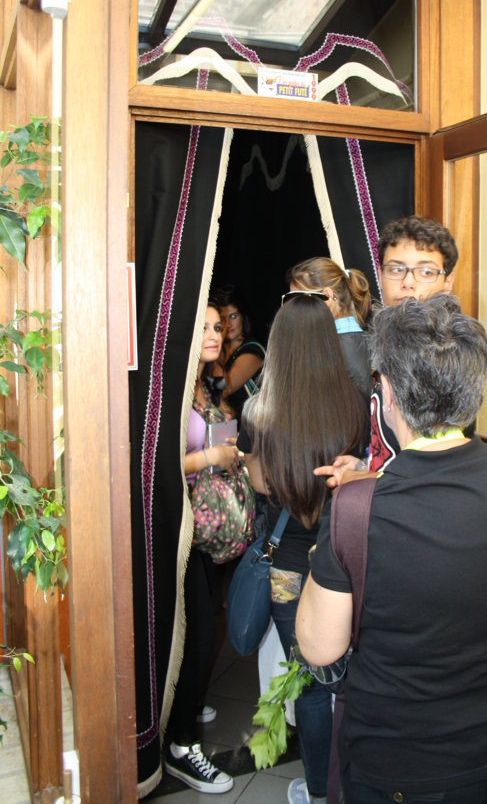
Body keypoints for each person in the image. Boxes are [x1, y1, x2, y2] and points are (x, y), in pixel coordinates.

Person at [296, 295, 487, 804]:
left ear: (389, 394)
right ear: (474, 389)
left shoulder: (356, 509)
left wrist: (323, 553)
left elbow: (318, 647)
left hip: (407, 769)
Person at [239, 293, 369, 804]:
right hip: (344, 558)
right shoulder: (355, 404)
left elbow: (260, 484)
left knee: (309, 684)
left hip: (288, 569)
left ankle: (318, 791)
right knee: (350, 676)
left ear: (279, 343)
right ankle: (353, 784)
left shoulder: (257, 411)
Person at [317, 215, 459, 481]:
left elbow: (429, 474)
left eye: (425, 272)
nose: (407, 282)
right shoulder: (389, 340)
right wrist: (365, 466)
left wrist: (359, 481)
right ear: (380, 274)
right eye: (396, 269)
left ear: (447, 282)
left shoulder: (447, 355)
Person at [164, 302, 236, 794]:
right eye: (204, 327)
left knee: (201, 624)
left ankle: (183, 706)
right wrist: (211, 455)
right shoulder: (171, 389)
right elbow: (161, 461)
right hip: (180, 524)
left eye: (217, 326)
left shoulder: (203, 385)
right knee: (198, 634)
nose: (215, 334)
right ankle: (180, 745)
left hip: (205, 522)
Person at [287, 257, 372, 397]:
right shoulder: (358, 339)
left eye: (299, 300)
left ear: (327, 296)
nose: (293, 309)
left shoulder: (337, 348)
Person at [216, 286, 265, 426]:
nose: (228, 324)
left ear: (242, 316)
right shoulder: (223, 351)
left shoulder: (252, 350)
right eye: (223, 318)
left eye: (233, 316)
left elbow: (224, 389)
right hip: (228, 428)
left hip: (253, 431)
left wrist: (214, 355)